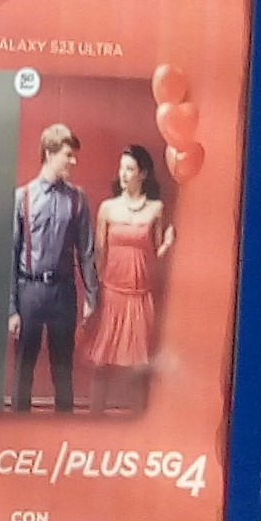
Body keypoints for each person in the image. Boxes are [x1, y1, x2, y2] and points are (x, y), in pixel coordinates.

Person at [10, 123, 98, 413]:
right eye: (68, 155)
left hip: (63, 293)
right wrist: (12, 308)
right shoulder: (22, 197)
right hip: (29, 291)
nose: (73, 161)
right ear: (49, 153)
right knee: (23, 368)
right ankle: (19, 431)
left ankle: (65, 430)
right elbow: (11, 254)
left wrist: (91, 295)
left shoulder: (78, 199)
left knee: (63, 370)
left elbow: (86, 251)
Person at [85, 145, 175, 414]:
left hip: (139, 297)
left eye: (130, 169)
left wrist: (168, 244)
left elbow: (155, 254)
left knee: (138, 366)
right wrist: (93, 294)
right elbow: (99, 253)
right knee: (101, 363)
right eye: (121, 168)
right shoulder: (108, 208)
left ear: (143, 173)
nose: (123, 174)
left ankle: (138, 425)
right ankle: (93, 421)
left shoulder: (156, 208)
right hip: (111, 294)